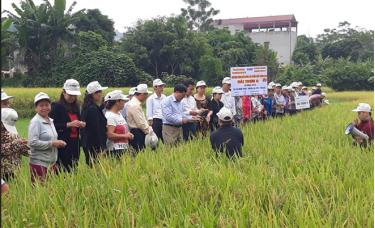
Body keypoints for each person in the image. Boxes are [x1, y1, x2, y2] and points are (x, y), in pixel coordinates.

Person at [28, 92, 67, 183]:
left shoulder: (50, 120)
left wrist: (58, 143)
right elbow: (32, 143)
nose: (45, 108)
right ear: (36, 108)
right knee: (41, 194)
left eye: (47, 105)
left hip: (51, 163)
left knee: (50, 193)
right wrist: (52, 143)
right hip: (39, 163)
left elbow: (50, 138)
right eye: (41, 105)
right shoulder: (35, 122)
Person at [49, 79, 85, 172]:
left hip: (74, 143)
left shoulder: (76, 106)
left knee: (73, 168)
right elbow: (51, 125)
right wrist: (68, 125)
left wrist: (81, 124)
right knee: (62, 170)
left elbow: (78, 120)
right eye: (70, 95)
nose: (72, 97)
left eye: (74, 95)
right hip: (62, 144)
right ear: (64, 92)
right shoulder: (56, 106)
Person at [81, 81, 108, 166]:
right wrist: (101, 148)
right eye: (98, 92)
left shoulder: (88, 106)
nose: (100, 94)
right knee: (96, 169)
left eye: (100, 91)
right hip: (94, 146)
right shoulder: (92, 109)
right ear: (92, 94)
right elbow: (96, 130)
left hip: (89, 144)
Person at [1, 108, 29, 181]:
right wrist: (16, 144)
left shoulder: (13, 132)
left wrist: (26, 147)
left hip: (15, 170)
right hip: (3, 171)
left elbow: (19, 148)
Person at [104, 90, 134, 158]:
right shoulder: (110, 116)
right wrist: (126, 136)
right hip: (115, 151)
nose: (124, 102)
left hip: (123, 148)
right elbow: (110, 135)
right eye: (123, 100)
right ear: (117, 102)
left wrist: (128, 134)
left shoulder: (119, 113)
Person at [127, 84, 152, 152]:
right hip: (137, 132)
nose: (146, 97)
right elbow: (140, 123)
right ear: (142, 94)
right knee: (139, 152)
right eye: (146, 95)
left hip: (138, 131)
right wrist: (149, 131)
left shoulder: (135, 103)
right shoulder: (134, 105)